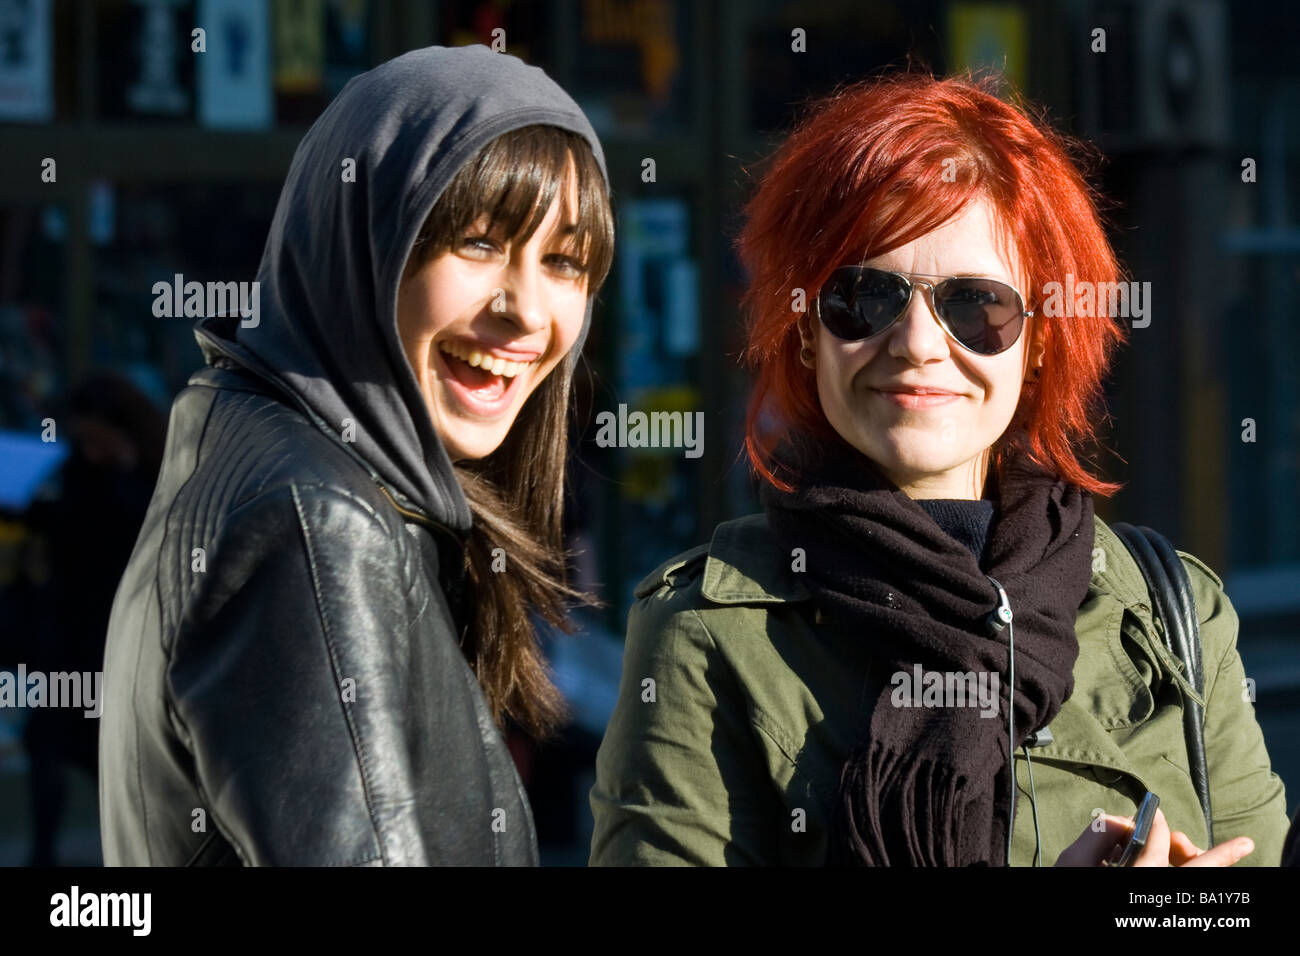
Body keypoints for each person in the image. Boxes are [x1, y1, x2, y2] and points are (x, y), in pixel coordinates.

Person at [588, 70, 1288, 866]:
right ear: (808, 332)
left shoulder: (1174, 615)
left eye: (975, 306)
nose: (919, 344)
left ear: (1039, 344)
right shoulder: (708, 630)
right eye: (863, 298)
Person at [99, 45, 613, 866]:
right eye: (478, 243)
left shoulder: (264, 454)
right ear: (362, 245)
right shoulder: (312, 523)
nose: (525, 311)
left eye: (562, 261)